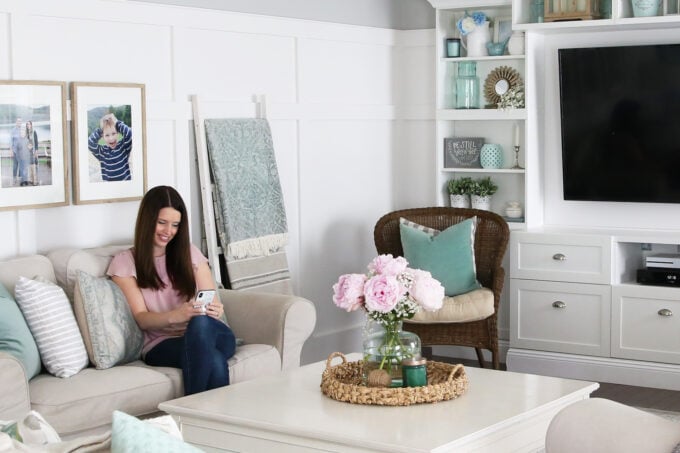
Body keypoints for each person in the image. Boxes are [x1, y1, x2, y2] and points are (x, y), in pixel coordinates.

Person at [107, 185, 236, 395]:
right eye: (162, 223)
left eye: (175, 225)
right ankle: (210, 422)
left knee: (201, 323)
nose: (169, 231)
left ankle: (188, 415)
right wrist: (175, 316)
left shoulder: (190, 253)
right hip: (161, 344)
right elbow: (141, 318)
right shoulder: (125, 263)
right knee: (214, 360)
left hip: (209, 333)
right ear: (148, 220)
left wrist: (215, 309)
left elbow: (208, 298)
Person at [87, 113, 133, 181]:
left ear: (118, 133)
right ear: (102, 136)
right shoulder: (101, 151)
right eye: (107, 135)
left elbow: (130, 133)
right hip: (108, 188)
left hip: (125, 186)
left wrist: (117, 123)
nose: (111, 138)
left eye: (113, 133)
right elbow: (90, 142)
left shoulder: (124, 146)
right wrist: (101, 129)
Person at [26, 121, 39, 186]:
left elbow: (36, 142)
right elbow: (26, 142)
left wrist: (36, 150)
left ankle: (35, 180)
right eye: (27, 124)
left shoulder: (34, 132)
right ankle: (30, 180)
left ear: (31, 125)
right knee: (29, 165)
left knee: (34, 165)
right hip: (28, 151)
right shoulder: (26, 133)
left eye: (29, 124)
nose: (28, 125)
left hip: (33, 151)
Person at [10, 118, 22, 186]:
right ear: (16, 122)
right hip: (15, 151)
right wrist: (11, 150)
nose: (19, 122)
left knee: (21, 166)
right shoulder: (13, 130)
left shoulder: (23, 130)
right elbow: (11, 141)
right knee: (15, 166)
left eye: (20, 121)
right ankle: (14, 180)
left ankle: (20, 180)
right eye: (18, 121)